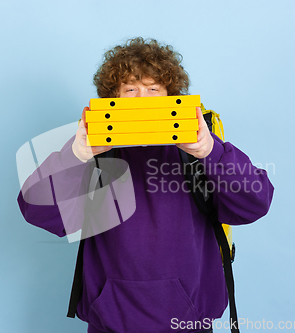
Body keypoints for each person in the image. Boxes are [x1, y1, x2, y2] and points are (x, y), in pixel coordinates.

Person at [17, 37, 274, 333]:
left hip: (188, 320)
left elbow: (255, 204)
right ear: (112, 98)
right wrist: (74, 156)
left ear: (170, 96)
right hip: (111, 320)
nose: (143, 99)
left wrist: (210, 151)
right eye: (131, 90)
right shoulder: (91, 150)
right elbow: (37, 210)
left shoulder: (198, 146)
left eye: (154, 89)